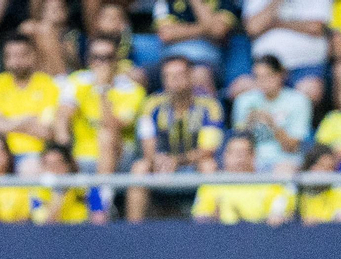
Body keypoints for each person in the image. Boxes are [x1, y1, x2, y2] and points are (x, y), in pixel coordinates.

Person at [126, 53, 223, 221]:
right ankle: (133, 230)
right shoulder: (151, 105)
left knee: (209, 166)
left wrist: (177, 161)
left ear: (191, 76)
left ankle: (208, 226)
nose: (174, 80)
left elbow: (207, 150)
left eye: (179, 75)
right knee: (139, 168)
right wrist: (157, 160)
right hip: (161, 164)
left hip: (191, 165)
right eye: (168, 76)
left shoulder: (210, 106)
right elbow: (148, 144)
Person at [51, 34, 145, 180]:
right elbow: (64, 114)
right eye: (96, 57)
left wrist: (103, 89)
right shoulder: (78, 80)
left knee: (106, 136)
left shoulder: (131, 89)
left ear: (116, 60)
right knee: (58, 122)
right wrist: (63, 149)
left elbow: (114, 126)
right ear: (89, 60)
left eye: (107, 58)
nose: (101, 63)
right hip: (80, 156)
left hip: (120, 158)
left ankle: (102, 196)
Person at [0, 34, 59, 169]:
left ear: (33, 56)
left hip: (35, 155)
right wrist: (27, 121)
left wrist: (2, 122)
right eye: (10, 56)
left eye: (22, 55)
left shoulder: (51, 86)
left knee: (31, 168)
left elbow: (48, 132)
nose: (16, 61)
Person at [240, 0, 331, 105]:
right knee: (243, 89)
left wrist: (276, 23)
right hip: (266, 64)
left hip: (306, 65)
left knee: (310, 90)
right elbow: (253, 27)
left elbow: (315, 26)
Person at [231, 54, 311, 173]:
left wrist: (271, 124)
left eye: (268, 76)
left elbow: (292, 147)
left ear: (280, 75)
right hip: (251, 160)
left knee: (284, 171)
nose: (262, 82)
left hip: (284, 160)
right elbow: (238, 142)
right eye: (258, 77)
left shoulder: (298, 101)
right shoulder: (244, 100)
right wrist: (247, 126)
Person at [191, 130, 293, 223]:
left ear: (253, 156)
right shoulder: (211, 185)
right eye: (234, 152)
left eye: (243, 152)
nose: (239, 157)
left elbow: (278, 216)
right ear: (225, 156)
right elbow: (200, 218)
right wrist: (212, 219)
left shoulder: (269, 184)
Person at [154, 0, 237, 85]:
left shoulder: (225, 1)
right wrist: (206, 29)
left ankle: (204, 98)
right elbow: (166, 34)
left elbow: (218, 32)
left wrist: (195, 2)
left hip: (204, 61)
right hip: (170, 60)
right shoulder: (165, 1)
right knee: (140, 76)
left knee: (200, 75)